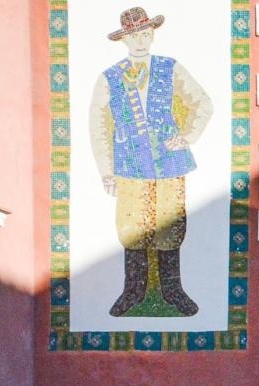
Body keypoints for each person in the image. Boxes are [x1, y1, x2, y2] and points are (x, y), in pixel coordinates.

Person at [88, 7, 213, 317]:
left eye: (145, 34)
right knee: (131, 226)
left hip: (169, 162)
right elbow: (99, 126)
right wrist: (106, 172)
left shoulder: (170, 68)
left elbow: (202, 103)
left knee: (170, 224)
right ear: (124, 39)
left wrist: (187, 136)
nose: (140, 41)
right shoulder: (109, 78)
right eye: (134, 36)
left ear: (153, 34)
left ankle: (173, 290)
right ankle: (133, 290)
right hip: (129, 165)